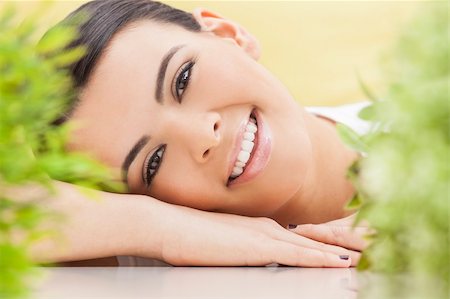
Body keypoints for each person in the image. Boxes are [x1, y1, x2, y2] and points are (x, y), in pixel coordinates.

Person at [30, 0, 370, 267]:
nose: (204, 137)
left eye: (182, 79)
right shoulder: (146, 255)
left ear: (227, 33)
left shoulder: (419, 116)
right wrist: (153, 227)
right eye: (154, 161)